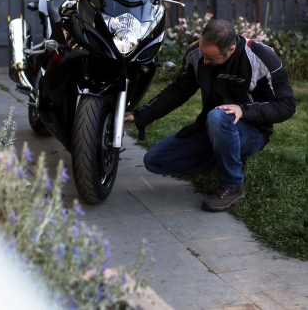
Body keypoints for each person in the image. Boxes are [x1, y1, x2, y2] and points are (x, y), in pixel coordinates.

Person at [124, 19, 296, 212]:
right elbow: (177, 91)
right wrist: (140, 116)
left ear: (230, 50)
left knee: (217, 116)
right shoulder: (197, 54)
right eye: (203, 54)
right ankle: (227, 156)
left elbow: (287, 105)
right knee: (155, 161)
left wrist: (244, 110)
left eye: (211, 59)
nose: (205, 61)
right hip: (213, 127)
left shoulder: (260, 57)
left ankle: (232, 186)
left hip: (252, 132)